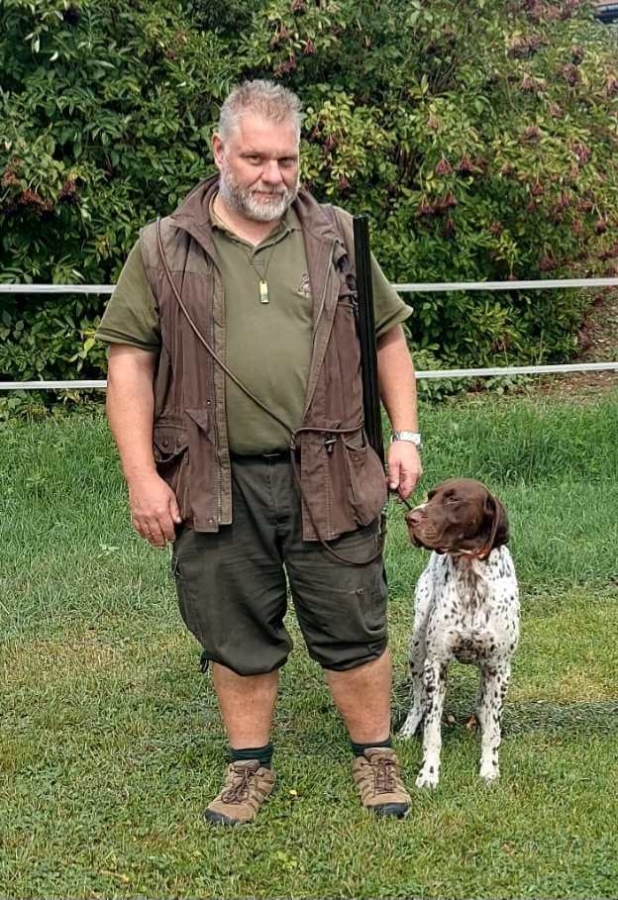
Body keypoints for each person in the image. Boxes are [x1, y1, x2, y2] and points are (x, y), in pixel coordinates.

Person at [96, 80, 422, 826]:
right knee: (233, 625)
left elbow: (387, 339)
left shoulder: (339, 238)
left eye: (287, 160)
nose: (274, 176)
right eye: (255, 158)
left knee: (354, 617)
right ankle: (248, 766)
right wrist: (141, 475)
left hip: (333, 470)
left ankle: (376, 756)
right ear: (219, 150)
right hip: (212, 478)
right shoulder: (163, 248)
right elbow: (129, 364)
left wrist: (404, 434)